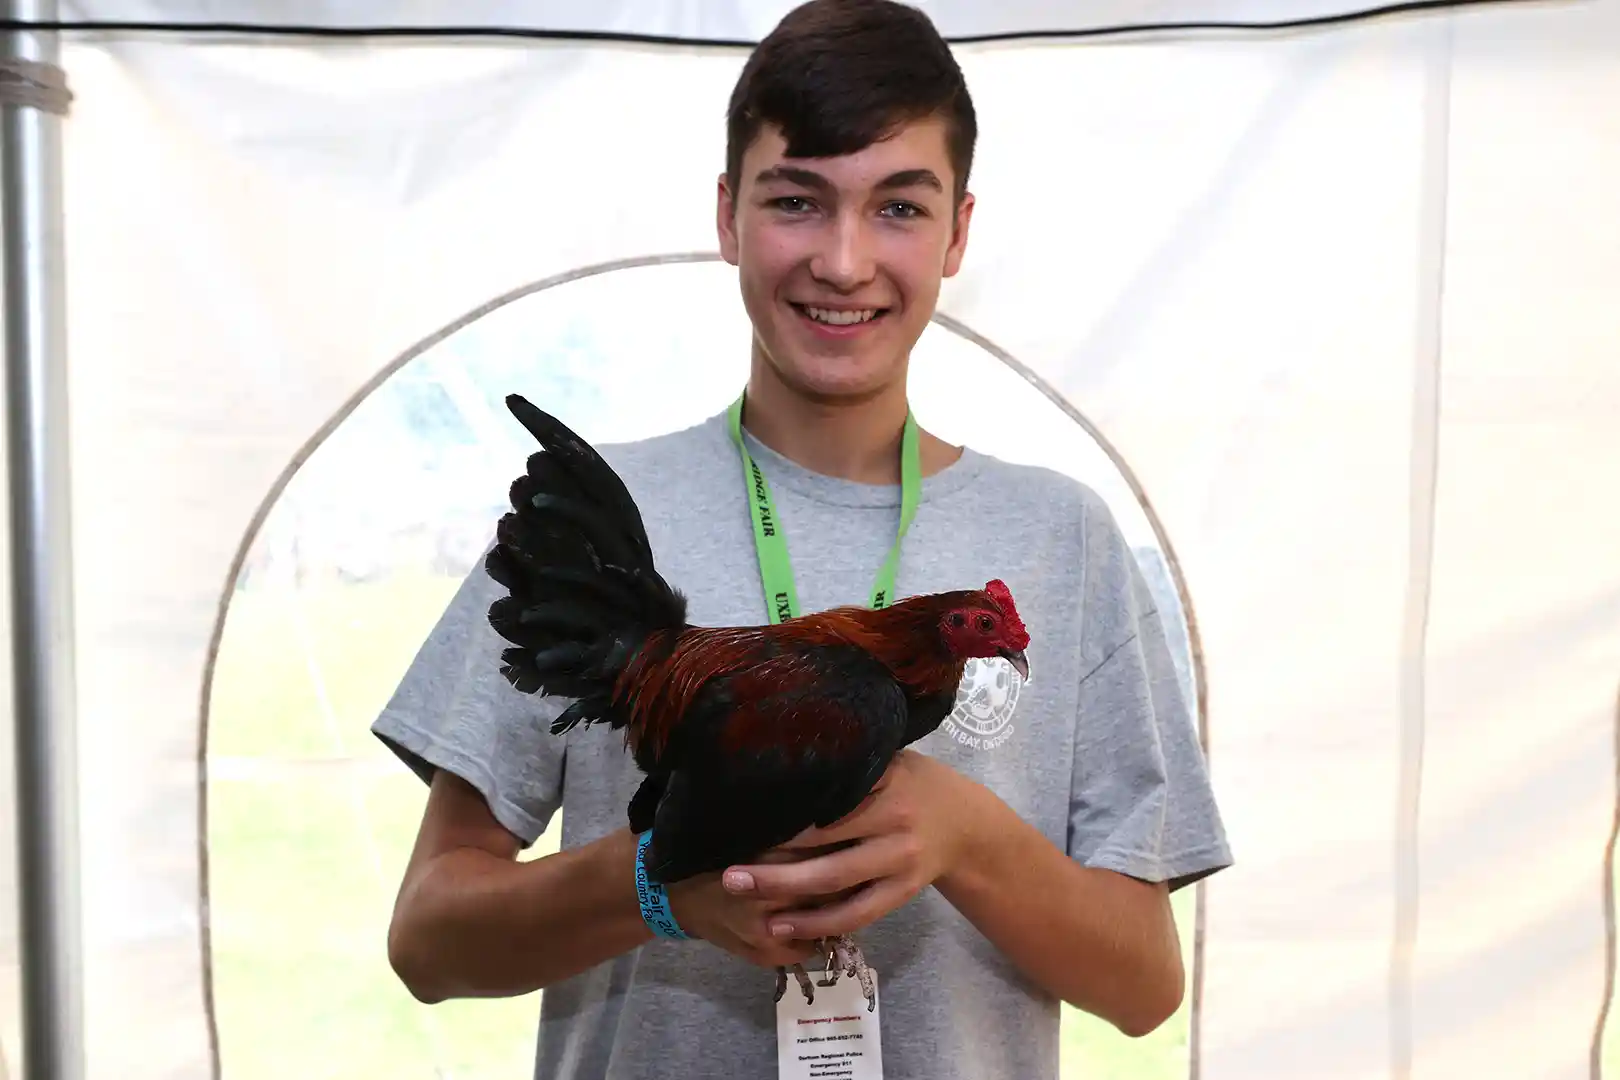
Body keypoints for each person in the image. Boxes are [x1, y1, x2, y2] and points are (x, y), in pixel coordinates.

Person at [373, 1, 1231, 1077]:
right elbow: (428, 939)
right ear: (728, 216)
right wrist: (658, 886)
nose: (843, 259)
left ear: (958, 233)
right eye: (796, 201)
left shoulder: (1065, 538)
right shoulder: (599, 530)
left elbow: (1145, 986)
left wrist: (966, 834)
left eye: (899, 207)